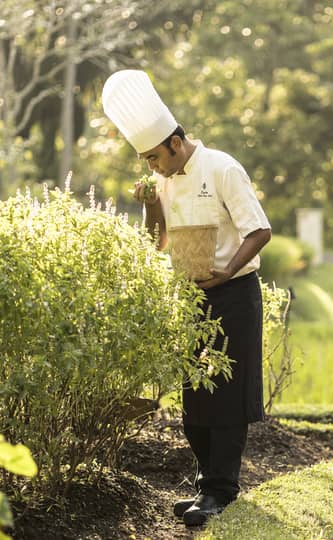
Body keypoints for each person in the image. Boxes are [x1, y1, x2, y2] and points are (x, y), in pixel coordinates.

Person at [102, 70, 271, 527]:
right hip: (190, 299)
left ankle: (221, 490)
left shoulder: (222, 167)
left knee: (227, 397)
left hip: (233, 293)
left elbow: (259, 230)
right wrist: (149, 203)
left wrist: (227, 271)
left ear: (175, 142)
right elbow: (156, 241)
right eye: (146, 159)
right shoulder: (165, 180)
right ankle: (204, 487)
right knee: (195, 398)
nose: (152, 166)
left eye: (155, 157)